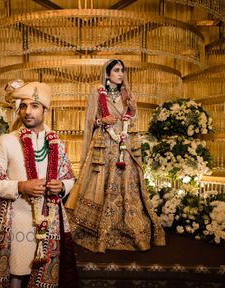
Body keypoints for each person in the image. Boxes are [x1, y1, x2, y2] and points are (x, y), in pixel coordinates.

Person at [0, 80, 78, 288]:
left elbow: (69, 177)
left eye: (34, 106)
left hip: (50, 215)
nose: (27, 111)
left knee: (45, 271)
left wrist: (62, 186)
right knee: (15, 270)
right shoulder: (6, 142)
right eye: (23, 106)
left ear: (45, 109)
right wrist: (20, 186)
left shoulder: (56, 142)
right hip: (16, 215)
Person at [65, 59, 166, 253]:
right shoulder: (97, 92)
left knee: (128, 186)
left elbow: (132, 120)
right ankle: (96, 230)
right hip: (104, 145)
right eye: (117, 70)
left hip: (123, 145)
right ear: (107, 73)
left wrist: (134, 109)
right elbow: (89, 121)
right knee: (99, 183)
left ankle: (129, 227)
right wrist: (102, 120)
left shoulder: (127, 93)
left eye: (123, 70)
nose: (121, 74)